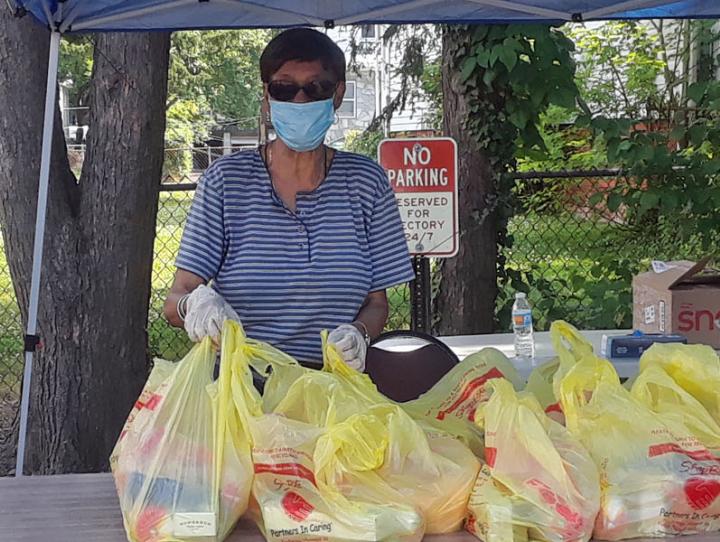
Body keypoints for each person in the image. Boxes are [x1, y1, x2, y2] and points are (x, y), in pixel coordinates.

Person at [164, 28, 413, 371]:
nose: (300, 101)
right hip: (243, 390)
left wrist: (359, 334)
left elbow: (376, 303)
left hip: (333, 387)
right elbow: (176, 297)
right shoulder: (225, 182)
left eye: (316, 88)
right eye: (284, 87)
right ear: (267, 95)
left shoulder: (366, 182)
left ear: (337, 94)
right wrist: (194, 305)